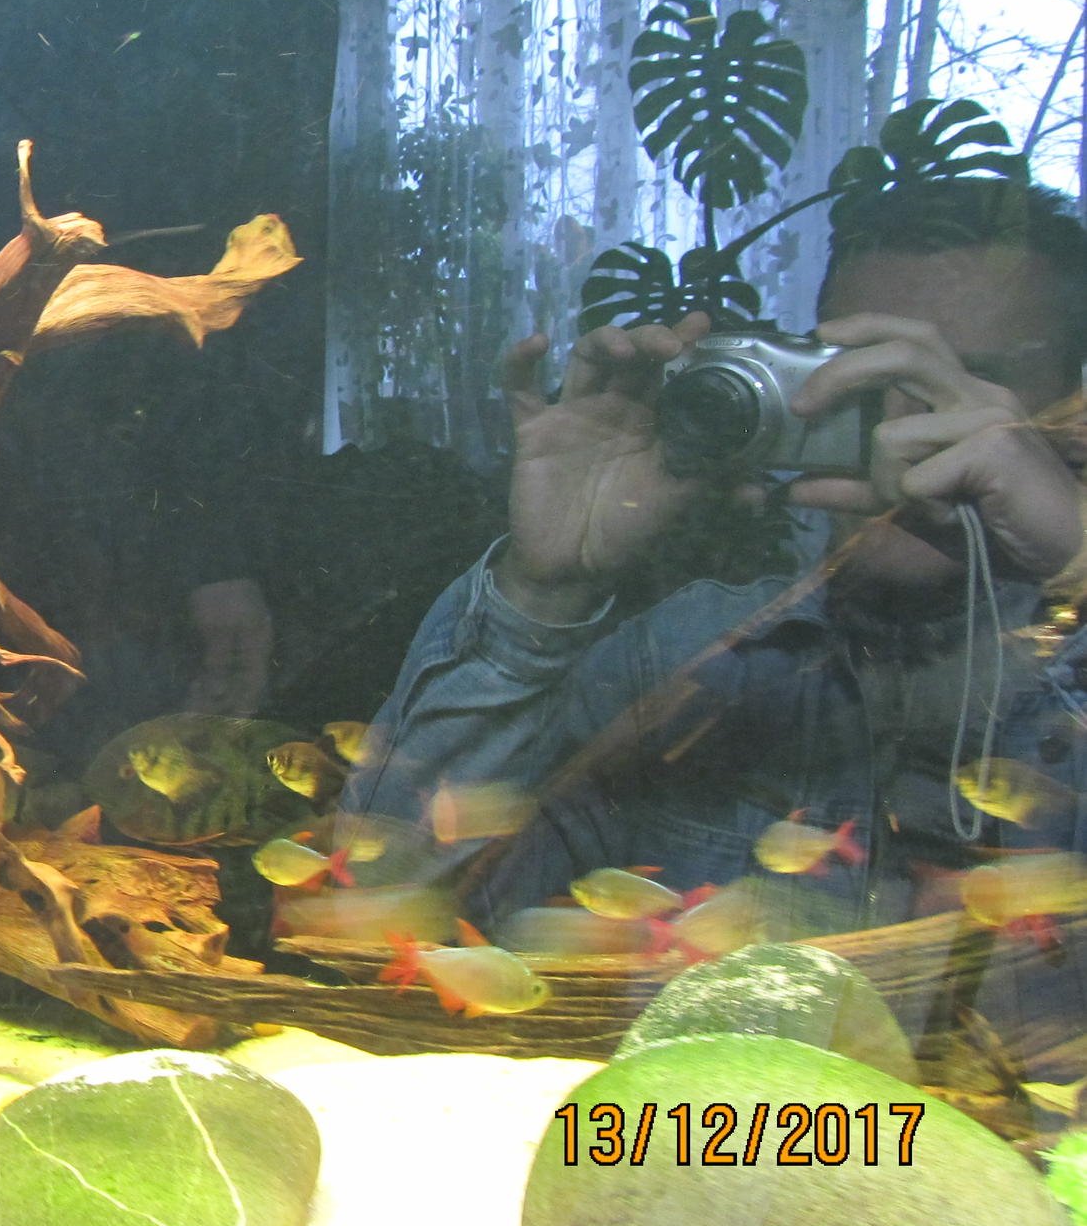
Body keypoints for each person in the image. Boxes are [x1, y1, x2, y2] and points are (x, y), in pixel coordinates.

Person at [350, 180, 1087, 930]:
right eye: (868, 378)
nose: (901, 425)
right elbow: (373, 907)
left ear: (1074, 412)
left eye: (966, 383)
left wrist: (1080, 560)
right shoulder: (687, 661)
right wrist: (541, 596)